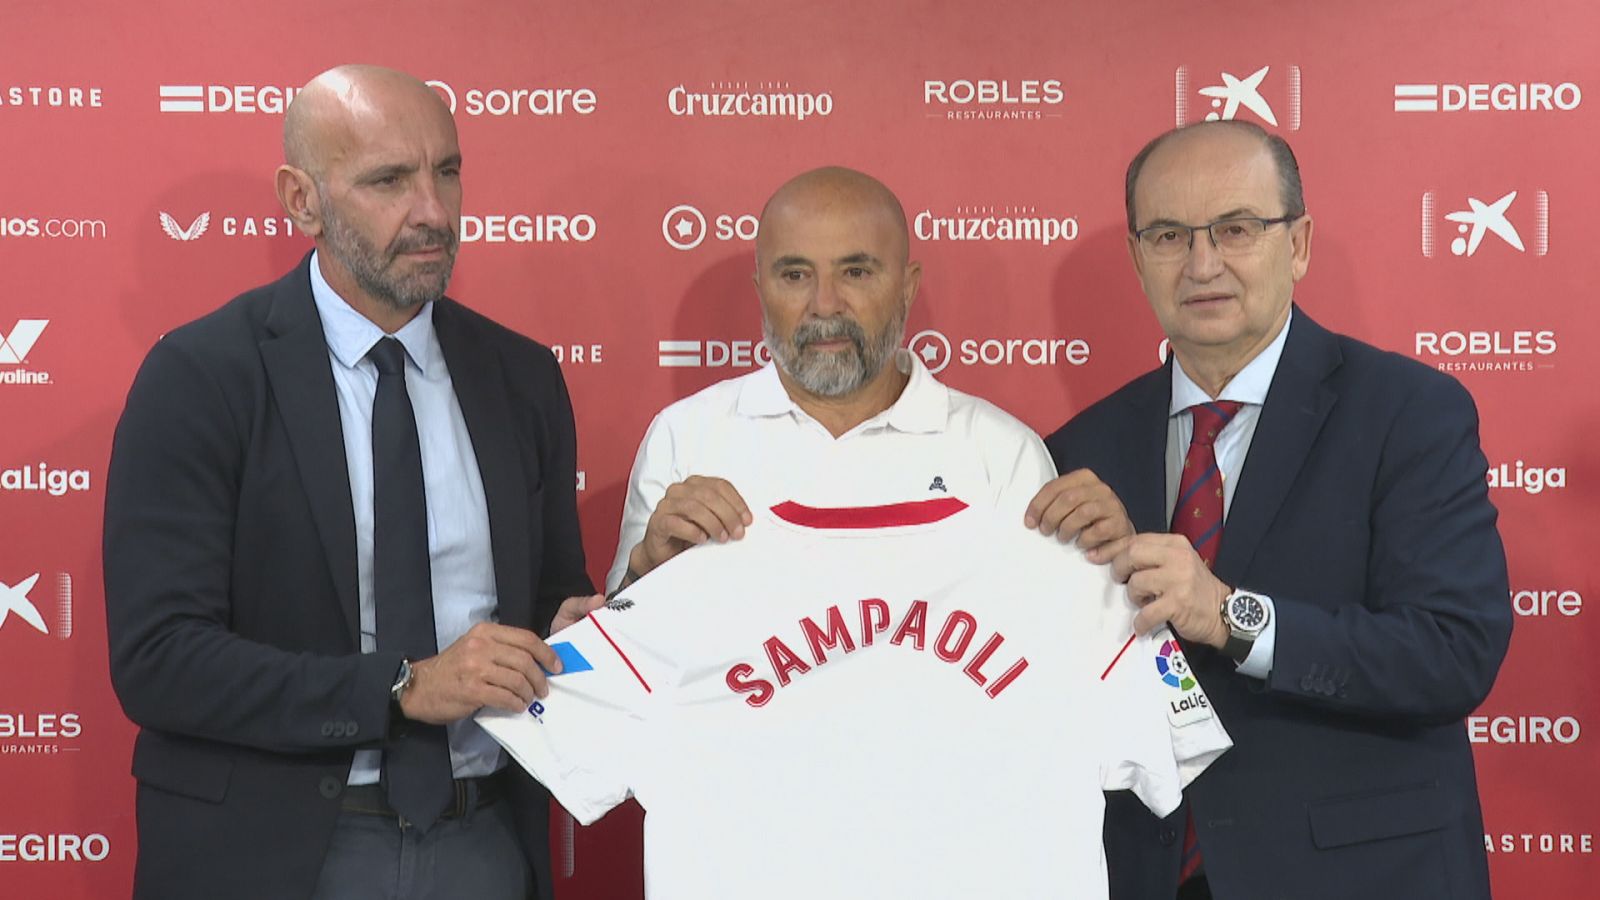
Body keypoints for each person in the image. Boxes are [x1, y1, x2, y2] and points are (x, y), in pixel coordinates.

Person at [103, 64, 602, 900]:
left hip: (484, 843)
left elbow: (552, 599)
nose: (434, 212)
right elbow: (159, 659)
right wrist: (404, 687)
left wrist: (597, 624)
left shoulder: (521, 378)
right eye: (389, 181)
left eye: (447, 172)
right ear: (302, 200)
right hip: (271, 856)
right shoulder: (201, 375)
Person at [1034, 120, 1511, 899]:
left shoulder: (1408, 412)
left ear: (1298, 245)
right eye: (1168, 235)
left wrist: (1228, 615)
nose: (1202, 263)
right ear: (1138, 259)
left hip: (1362, 875)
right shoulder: (1078, 450)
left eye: (1237, 228)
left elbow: (1452, 651)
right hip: (1144, 873)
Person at [607, 165, 1056, 592]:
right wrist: (644, 571)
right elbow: (622, 650)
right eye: (796, 275)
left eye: (855, 273)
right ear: (761, 290)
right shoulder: (684, 436)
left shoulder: (1002, 453)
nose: (824, 304)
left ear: (907, 287)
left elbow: (1047, 647)